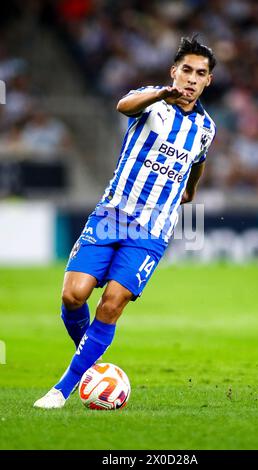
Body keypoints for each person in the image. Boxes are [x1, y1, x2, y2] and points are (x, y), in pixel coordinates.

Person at [33, 35, 217, 409]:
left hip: (151, 230)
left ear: (208, 80)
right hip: (110, 215)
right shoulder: (153, 101)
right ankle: (92, 366)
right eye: (187, 70)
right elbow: (123, 105)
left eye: (200, 73)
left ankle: (62, 389)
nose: (192, 79)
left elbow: (197, 161)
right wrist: (160, 95)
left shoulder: (206, 128)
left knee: (112, 303)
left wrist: (192, 189)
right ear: (174, 71)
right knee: (73, 295)